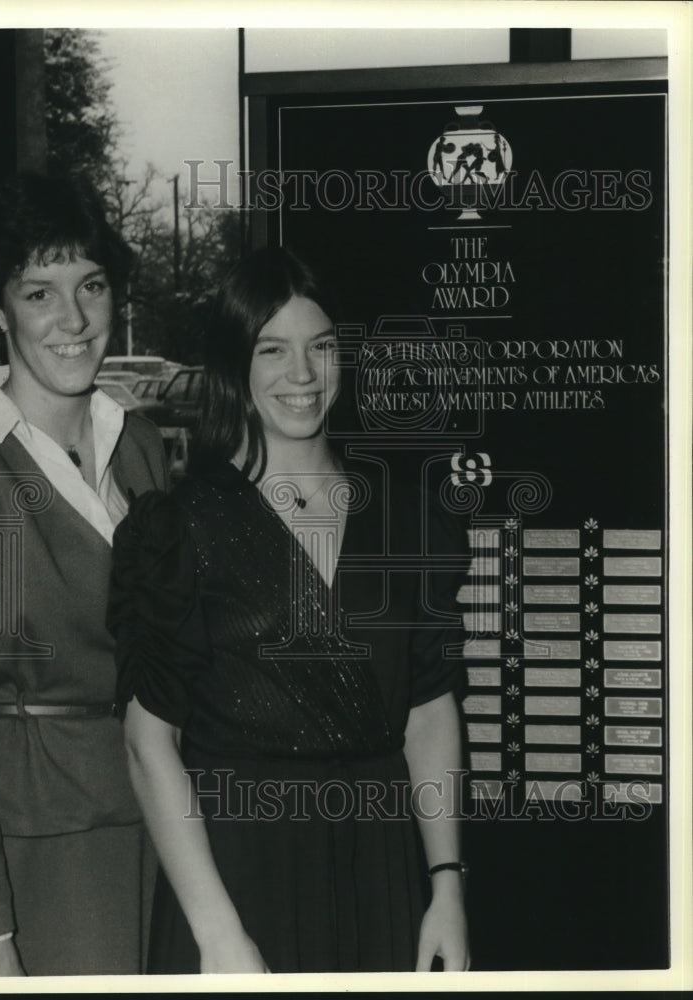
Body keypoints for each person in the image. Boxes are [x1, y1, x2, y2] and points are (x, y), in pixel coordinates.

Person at [108, 247, 471, 973]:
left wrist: (446, 886)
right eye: (273, 350)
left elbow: (429, 711)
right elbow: (149, 745)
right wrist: (216, 933)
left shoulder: (405, 517)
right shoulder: (181, 527)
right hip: (239, 876)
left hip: (381, 869)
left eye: (322, 346)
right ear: (235, 365)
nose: (302, 375)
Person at [0, 172, 169, 976]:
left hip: (167, 828)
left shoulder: (139, 446)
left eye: (91, 286)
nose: (74, 320)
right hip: (37, 856)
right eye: (40, 293)